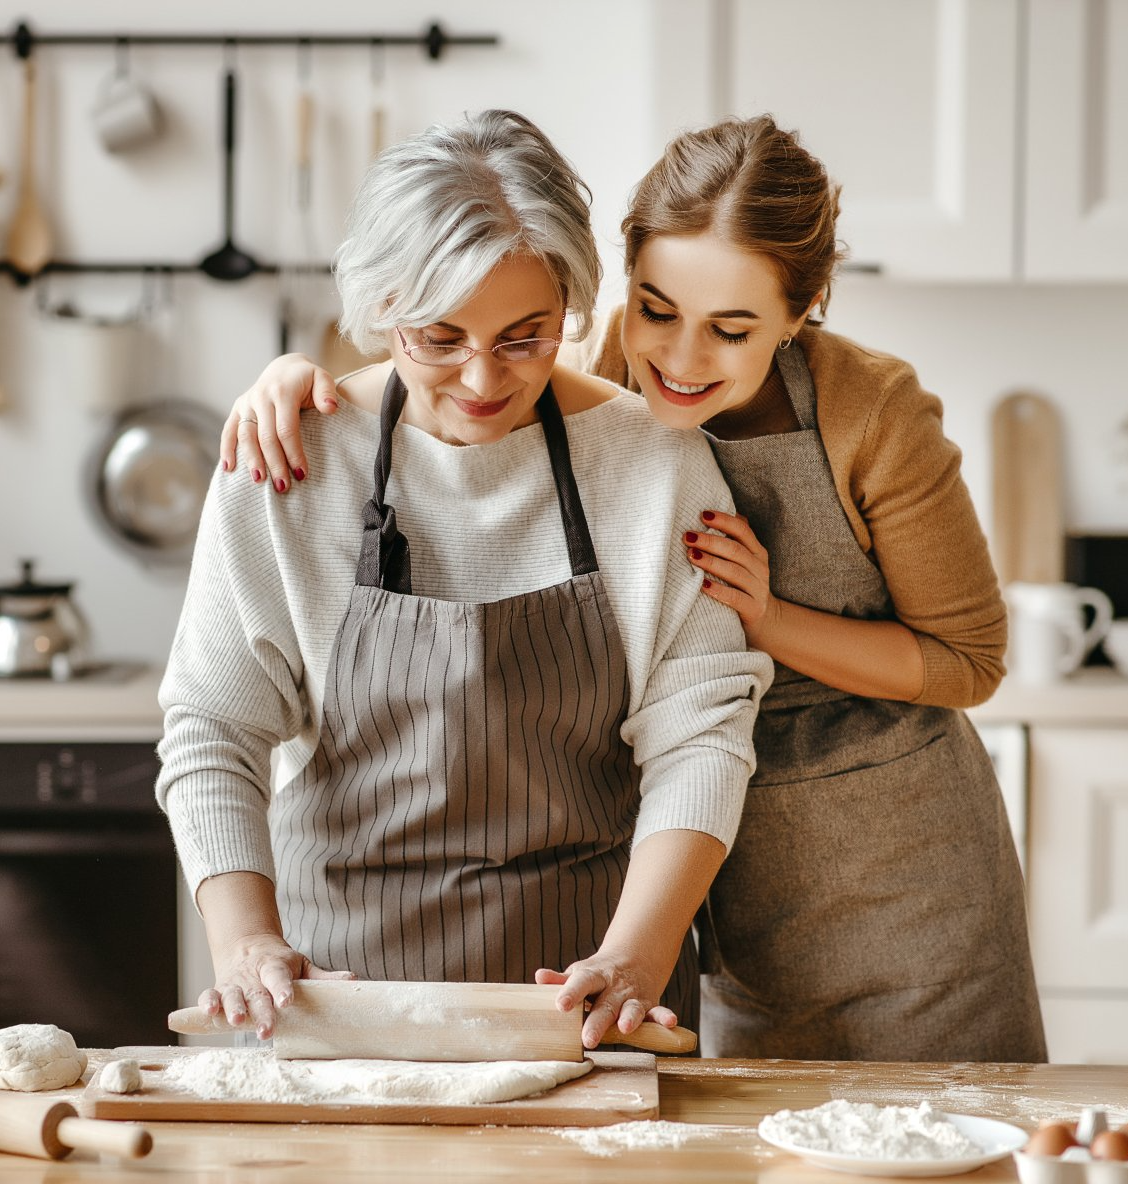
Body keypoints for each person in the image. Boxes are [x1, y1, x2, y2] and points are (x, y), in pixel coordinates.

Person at [220, 113, 1046, 1062]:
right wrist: (298, 384)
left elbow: (968, 661)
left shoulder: (873, 413)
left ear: (805, 308)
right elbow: (466, 359)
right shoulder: (601, 376)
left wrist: (766, 620)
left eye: (731, 330)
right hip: (713, 873)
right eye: (657, 309)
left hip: (897, 871)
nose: (682, 361)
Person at [157, 109, 769, 1050]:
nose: (484, 379)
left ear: (570, 304)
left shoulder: (654, 466)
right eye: (438, 338)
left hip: (588, 1002)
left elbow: (701, 735)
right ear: (380, 310)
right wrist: (245, 943)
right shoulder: (288, 462)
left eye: (527, 337)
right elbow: (213, 727)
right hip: (336, 1003)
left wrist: (638, 957)